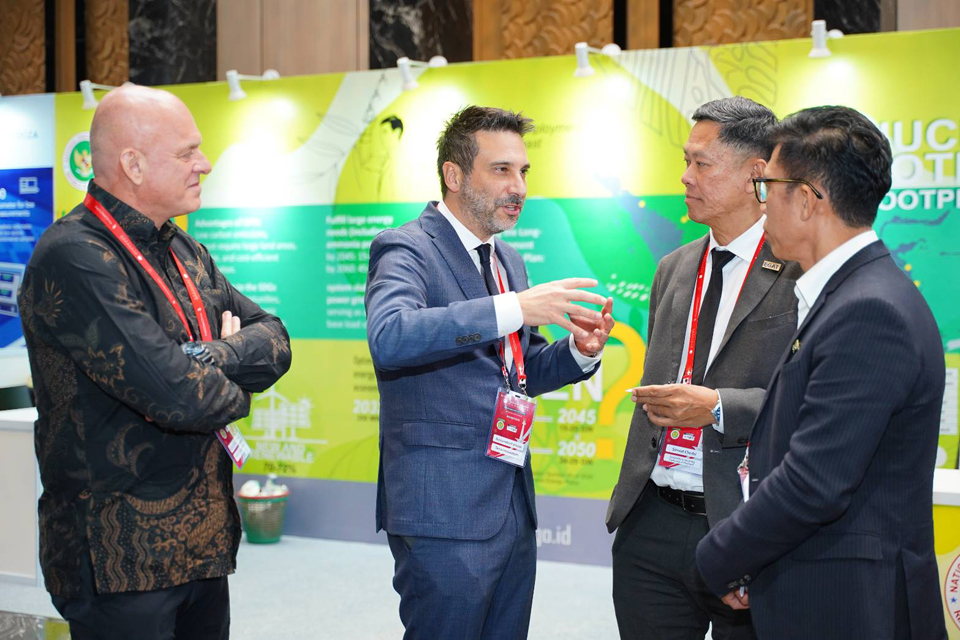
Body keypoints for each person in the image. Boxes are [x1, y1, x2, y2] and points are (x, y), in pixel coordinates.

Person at [18, 85, 292, 639]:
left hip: (203, 546)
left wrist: (205, 356)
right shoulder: (76, 255)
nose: (205, 164)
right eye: (187, 152)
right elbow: (179, 398)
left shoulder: (184, 250)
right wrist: (223, 375)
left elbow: (276, 340)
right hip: (119, 560)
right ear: (133, 164)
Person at [696, 105, 948, 640]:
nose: (762, 204)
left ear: (807, 200)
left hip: (851, 604)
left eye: (767, 187)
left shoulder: (869, 310)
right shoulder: (848, 293)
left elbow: (814, 483)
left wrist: (718, 557)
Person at [365, 105, 614, 639]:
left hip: (511, 504)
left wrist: (579, 352)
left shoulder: (507, 261)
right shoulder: (407, 246)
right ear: (454, 175)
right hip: (442, 511)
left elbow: (521, 368)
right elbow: (390, 335)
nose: (518, 187)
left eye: (523, 171)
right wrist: (514, 308)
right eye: (501, 170)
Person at [606, 96, 802, 640]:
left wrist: (717, 407)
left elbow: (811, 401)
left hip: (747, 522)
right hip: (651, 519)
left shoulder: (798, 271)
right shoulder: (673, 267)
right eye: (685, 160)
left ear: (756, 174)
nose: (685, 176)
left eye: (702, 163)